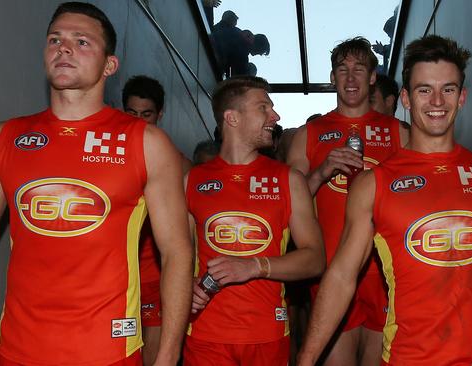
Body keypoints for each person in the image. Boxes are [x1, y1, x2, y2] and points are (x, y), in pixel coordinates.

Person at [0, 3, 193, 365]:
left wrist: (167, 353)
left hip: (108, 352)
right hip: (17, 350)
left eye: (82, 41)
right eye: (55, 39)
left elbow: (177, 252)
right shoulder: (3, 139)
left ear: (109, 65)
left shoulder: (145, 143)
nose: (64, 47)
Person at [298, 35, 472, 366]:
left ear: (462, 98)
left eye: (448, 89)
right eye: (423, 89)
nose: (437, 101)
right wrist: (306, 358)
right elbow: (342, 276)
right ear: (405, 97)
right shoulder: (374, 184)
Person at [183, 76, 326, 366]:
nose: (275, 116)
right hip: (205, 336)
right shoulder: (192, 180)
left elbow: (315, 258)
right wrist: (187, 286)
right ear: (232, 118)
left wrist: (254, 266)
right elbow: (178, 257)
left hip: (266, 335)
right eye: (263, 107)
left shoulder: (288, 179)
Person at [287, 36, 408, 366]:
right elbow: (285, 208)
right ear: (332, 78)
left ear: (372, 77)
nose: (351, 78)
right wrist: (322, 171)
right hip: (332, 271)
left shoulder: (399, 132)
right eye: (342, 70)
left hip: (385, 274)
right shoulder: (308, 134)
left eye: (359, 69)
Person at [121, 75, 192, 365]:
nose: (139, 121)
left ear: (160, 114)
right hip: (117, 279)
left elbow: (187, 233)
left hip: (157, 278)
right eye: (132, 113)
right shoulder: (107, 155)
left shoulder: (178, 164)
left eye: (146, 114)